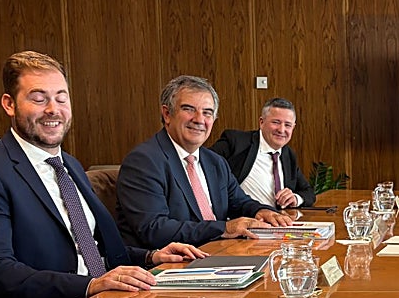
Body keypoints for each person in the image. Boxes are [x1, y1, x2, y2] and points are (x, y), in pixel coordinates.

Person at [0, 51, 205, 298]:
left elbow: (92, 251)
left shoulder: (69, 164)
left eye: (61, 98)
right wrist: (89, 286)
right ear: (9, 104)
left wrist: (153, 255)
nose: (53, 109)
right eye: (38, 99)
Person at [117, 75, 294, 248]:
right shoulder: (144, 161)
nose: (199, 119)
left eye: (207, 113)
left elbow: (240, 202)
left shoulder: (215, 161)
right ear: (167, 114)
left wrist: (260, 211)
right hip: (171, 263)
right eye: (188, 109)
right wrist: (225, 228)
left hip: (219, 253)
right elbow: (154, 229)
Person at [210, 97, 316, 209]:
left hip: (280, 221)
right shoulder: (236, 142)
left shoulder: (288, 154)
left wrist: (295, 198)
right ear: (261, 122)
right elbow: (204, 164)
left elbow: (308, 192)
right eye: (276, 122)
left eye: (288, 125)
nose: (281, 130)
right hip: (242, 219)